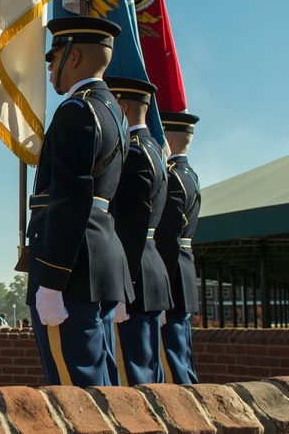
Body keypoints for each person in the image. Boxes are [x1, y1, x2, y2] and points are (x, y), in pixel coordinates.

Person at [26, 17, 134, 387]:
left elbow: (70, 199)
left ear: (73, 57)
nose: (51, 66)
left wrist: (51, 281)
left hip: (70, 273)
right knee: (102, 387)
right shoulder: (115, 112)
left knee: (75, 394)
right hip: (99, 266)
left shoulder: (77, 111)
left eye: (53, 57)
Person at [105, 77, 173, 386]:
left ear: (123, 106)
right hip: (151, 271)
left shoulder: (133, 153)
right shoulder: (156, 150)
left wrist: (122, 288)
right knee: (150, 374)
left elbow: (129, 225)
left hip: (133, 277)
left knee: (133, 380)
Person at [156, 111, 201, 384]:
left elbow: (167, 238)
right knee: (181, 355)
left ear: (168, 139)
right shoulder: (190, 174)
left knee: (171, 360)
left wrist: (161, 292)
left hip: (170, 277)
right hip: (183, 270)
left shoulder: (172, 177)